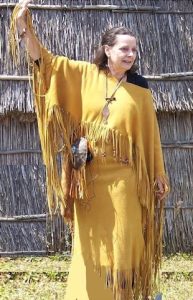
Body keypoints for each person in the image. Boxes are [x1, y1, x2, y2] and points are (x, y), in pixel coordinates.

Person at [10, 1, 169, 299]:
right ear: (107, 49)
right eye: (124, 49)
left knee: (123, 246)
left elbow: (151, 136)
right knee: (91, 248)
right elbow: (46, 63)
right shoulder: (85, 75)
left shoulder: (141, 88)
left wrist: (158, 174)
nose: (131, 55)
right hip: (90, 182)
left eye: (134, 50)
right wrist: (24, 29)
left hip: (125, 181)